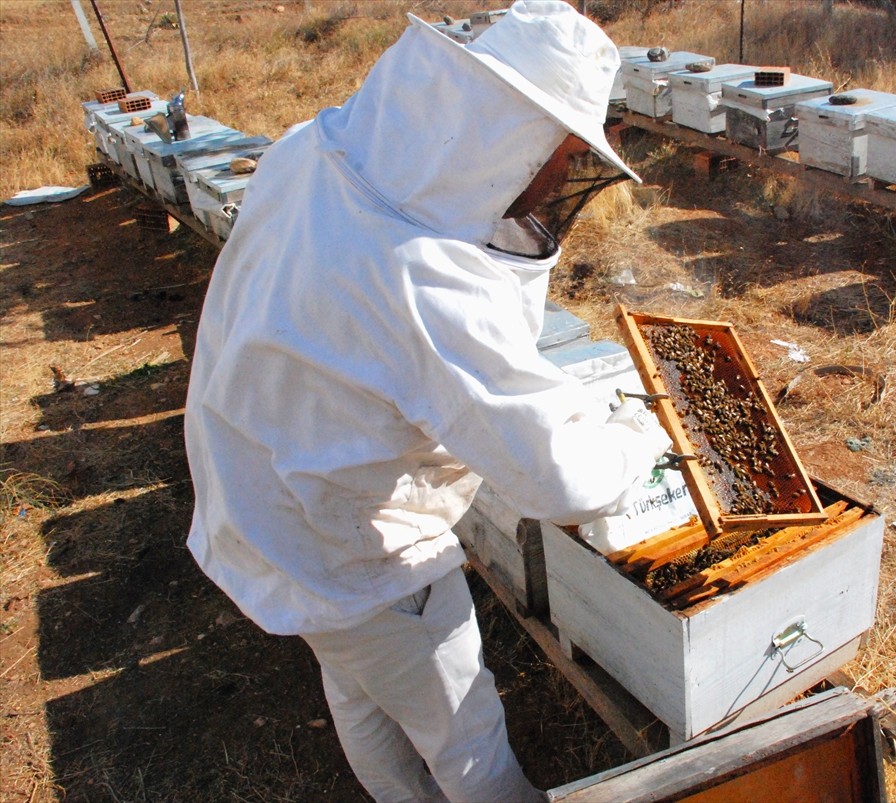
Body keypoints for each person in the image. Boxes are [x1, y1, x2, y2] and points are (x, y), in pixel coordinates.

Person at [182, 2, 672, 801]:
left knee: (357, 678)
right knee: (467, 742)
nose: (561, 175)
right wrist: (635, 436)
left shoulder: (317, 145)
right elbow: (561, 479)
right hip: (353, 544)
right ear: (513, 128)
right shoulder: (424, 280)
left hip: (258, 481)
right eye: (565, 151)